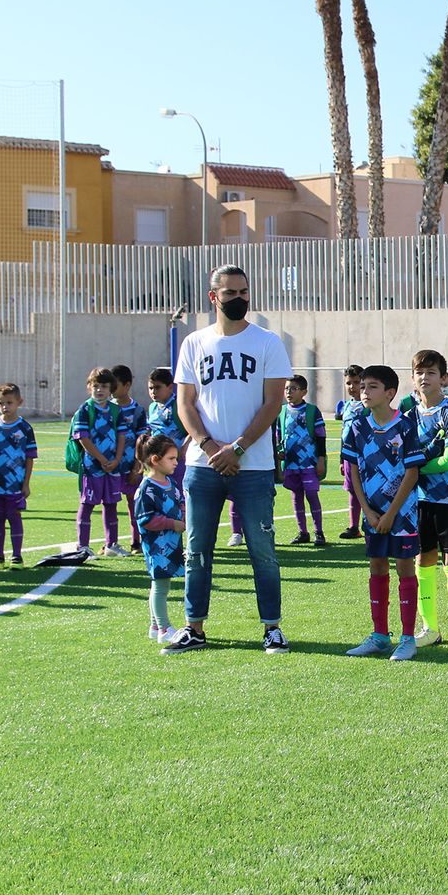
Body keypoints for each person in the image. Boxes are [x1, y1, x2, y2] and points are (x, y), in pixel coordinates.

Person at [165, 264, 293, 656]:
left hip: (252, 466)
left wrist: (236, 448)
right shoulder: (194, 343)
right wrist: (208, 446)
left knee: (262, 550)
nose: (239, 299)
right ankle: (194, 627)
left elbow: (273, 402)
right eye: (231, 293)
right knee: (197, 549)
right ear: (213, 297)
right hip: (204, 466)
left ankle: (272, 628)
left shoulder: (268, 342)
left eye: (244, 292)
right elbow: (185, 403)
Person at [342, 365, 425, 662]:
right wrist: (368, 511)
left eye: (372, 386)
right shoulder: (357, 426)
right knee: (376, 567)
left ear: (389, 393)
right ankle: (379, 635)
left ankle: (407, 638)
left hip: (401, 514)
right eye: (363, 386)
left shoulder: (404, 425)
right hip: (372, 514)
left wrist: (390, 513)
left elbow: (412, 472)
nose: (364, 391)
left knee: (404, 568)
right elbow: (352, 470)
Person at [408, 349, 448, 650]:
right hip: (419, 500)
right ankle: (430, 627)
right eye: (419, 372)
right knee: (423, 560)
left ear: (444, 378)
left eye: (431, 372)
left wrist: (417, 468)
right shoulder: (409, 415)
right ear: (412, 377)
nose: (424, 377)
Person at [0, 383, 37, 569]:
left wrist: (26, 483)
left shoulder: (25, 428)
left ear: (19, 402)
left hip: (15, 484)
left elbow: (29, 457)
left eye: (9, 402)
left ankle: (17, 556)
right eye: (1, 403)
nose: (5, 406)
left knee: (15, 517)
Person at [135, 434, 186, 646]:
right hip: (157, 547)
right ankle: (164, 628)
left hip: (172, 543)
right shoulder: (147, 488)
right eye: (171, 458)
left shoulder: (170, 482)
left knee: (162, 585)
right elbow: (145, 519)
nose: (176, 462)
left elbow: (179, 501)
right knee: (160, 586)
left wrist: (184, 514)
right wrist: (172, 524)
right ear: (155, 460)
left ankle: (155, 626)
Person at [72, 368, 128, 558]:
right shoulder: (85, 410)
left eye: (103, 386)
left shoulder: (115, 410)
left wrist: (117, 459)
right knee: (87, 504)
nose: (99, 390)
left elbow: (122, 435)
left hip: (113, 467)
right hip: (92, 468)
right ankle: (83, 546)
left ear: (111, 388)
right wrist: (102, 459)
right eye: (95, 386)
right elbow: (83, 439)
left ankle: (111, 544)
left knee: (111, 504)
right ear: (89, 387)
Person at [276, 374, 328, 545]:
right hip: (291, 464)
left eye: (293, 388)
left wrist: (320, 459)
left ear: (304, 391)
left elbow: (321, 436)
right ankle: (302, 532)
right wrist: (280, 453)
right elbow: (279, 435)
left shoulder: (312, 411)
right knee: (296, 496)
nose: (289, 392)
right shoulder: (282, 411)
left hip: (309, 463)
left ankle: (318, 532)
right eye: (286, 388)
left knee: (312, 494)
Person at [111, 364, 149, 554]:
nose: (110, 390)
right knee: (109, 505)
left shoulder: (137, 411)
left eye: (114, 385)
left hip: (131, 467)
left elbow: (143, 442)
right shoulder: (107, 409)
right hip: (110, 468)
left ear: (127, 385)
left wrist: (137, 467)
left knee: (134, 505)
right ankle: (111, 542)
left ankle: (137, 542)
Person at [335, 365, 365, 539]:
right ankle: (354, 526)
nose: (352, 387)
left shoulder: (369, 405)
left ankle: (370, 523)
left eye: (356, 382)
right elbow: (343, 434)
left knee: (368, 491)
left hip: (366, 456)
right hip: (349, 456)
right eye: (349, 383)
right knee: (352, 490)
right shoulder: (346, 406)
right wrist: (341, 458)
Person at [145, 368, 188, 486]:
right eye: (151, 388)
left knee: (178, 495)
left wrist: (184, 447)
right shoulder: (152, 407)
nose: (153, 392)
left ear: (170, 387)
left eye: (157, 387)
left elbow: (192, 429)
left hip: (176, 461)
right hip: (157, 460)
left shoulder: (179, 405)